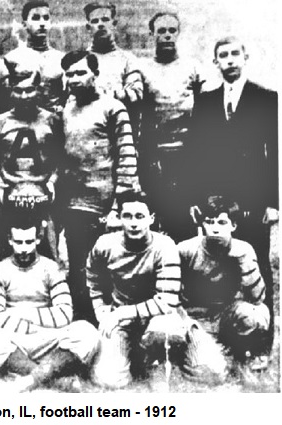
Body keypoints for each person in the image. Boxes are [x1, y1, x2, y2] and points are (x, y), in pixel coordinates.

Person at [187, 37, 278, 347]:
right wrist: (197, 199)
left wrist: (273, 202)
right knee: (219, 264)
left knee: (257, 265)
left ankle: (262, 342)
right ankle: (224, 337)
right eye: (222, 55)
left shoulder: (267, 98)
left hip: (253, 200)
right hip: (215, 202)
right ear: (215, 63)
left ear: (245, 56)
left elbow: (275, 153)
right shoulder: (206, 100)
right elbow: (195, 154)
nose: (229, 60)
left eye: (234, 54)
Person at [86, 191, 223, 388]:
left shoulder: (164, 246)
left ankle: (159, 359)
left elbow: (166, 301)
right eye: (128, 216)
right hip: (123, 321)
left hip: (160, 318)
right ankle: (134, 353)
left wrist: (121, 313)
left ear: (151, 218)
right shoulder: (105, 244)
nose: (134, 223)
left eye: (140, 216)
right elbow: (93, 278)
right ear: (119, 218)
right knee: (109, 379)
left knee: (211, 373)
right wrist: (101, 309)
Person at [0, 216, 98, 391]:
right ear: (10, 240)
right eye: (19, 242)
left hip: (47, 337)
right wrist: (29, 327)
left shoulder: (52, 268)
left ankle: (32, 377)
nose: (24, 248)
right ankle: (56, 380)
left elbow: (64, 315)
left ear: (38, 239)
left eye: (29, 242)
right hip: (14, 339)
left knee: (87, 331)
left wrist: (20, 314)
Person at [59, 50, 139, 323]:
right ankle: (84, 329)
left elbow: (127, 157)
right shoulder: (66, 109)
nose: (74, 79)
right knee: (80, 271)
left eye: (80, 73)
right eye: (69, 74)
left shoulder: (113, 108)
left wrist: (119, 206)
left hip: (104, 207)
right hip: (74, 205)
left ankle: (115, 329)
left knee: (109, 271)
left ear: (95, 74)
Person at [178, 196, 270, 372]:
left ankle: (243, 350)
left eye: (221, 222)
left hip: (228, 313)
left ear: (233, 226)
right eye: (209, 222)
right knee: (208, 373)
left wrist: (245, 263)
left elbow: (258, 298)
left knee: (256, 315)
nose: (214, 228)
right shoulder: (186, 250)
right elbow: (170, 294)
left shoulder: (243, 249)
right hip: (198, 318)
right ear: (202, 224)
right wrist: (186, 321)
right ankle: (198, 348)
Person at [139, 12, 205, 242]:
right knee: (156, 218)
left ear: (178, 33)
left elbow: (206, 107)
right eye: (161, 31)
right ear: (152, 34)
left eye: (171, 31)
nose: (167, 35)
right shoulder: (143, 68)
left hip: (188, 155)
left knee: (186, 218)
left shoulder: (193, 67)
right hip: (155, 156)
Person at [0, 62, 63, 261]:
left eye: (30, 90)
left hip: (42, 198)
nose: (24, 96)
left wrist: (51, 182)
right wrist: (0, 183)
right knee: (7, 254)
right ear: (10, 92)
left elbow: (61, 158)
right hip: (9, 197)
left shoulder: (52, 120)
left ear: (38, 90)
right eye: (18, 91)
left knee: (47, 253)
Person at [83, 2, 143, 130]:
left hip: (121, 127)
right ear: (88, 28)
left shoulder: (128, 59)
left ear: (114, 24)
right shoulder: (81, 60)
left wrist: (97, 94)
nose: (100, 24)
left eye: (105, 19)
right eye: (95, 21)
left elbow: (135, 94)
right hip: (91, 127)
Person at [4, 1, 65, 112]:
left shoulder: (60, 58)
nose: (42, 23)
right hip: (24, 119)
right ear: (24, 24)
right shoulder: (12, 58)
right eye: (36, 18)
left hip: (54, 121)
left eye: (46, 18)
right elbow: (5, 98)